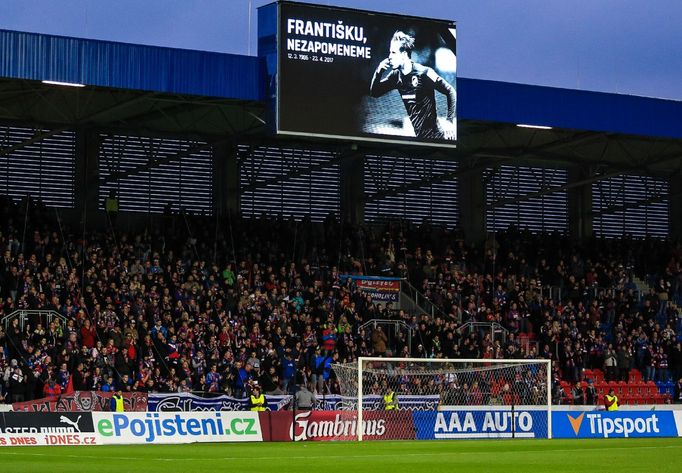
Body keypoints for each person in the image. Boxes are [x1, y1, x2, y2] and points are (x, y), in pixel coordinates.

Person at [370, 30, 456, 140]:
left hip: (436, 138)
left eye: (393, 52)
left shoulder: (424, 72)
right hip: (420, 139)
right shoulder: (395, 76)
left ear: (404, 54)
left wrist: (449, 121)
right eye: (390, 52)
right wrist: (378, 72)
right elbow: (374, 92)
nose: (389, 57)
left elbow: (451, 91)